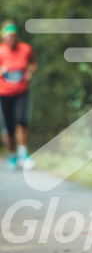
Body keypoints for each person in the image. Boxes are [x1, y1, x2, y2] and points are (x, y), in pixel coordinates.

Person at [0, 21, 38, 171]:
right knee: (9, 128)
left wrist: (30, 72)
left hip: (22, 92)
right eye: (8, 36)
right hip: (4, 94)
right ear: (4, 37)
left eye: (13, 36)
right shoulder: (1, 51)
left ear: (16, 36)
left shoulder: (26, 49)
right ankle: (12, 155)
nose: (11, 39)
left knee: (22, 121)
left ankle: (23, 154)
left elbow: (33, 62)